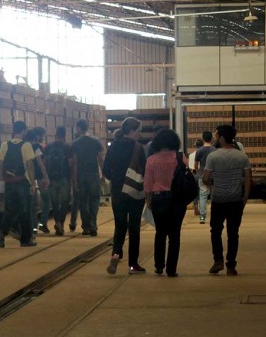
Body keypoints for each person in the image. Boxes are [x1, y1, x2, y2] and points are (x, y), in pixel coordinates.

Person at [202, 125, 252, 276]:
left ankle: (218, 260)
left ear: (222, 137)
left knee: (215, 231)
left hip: (218, 200)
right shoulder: (242, 156)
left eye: (217, 135)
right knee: (233, 233)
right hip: (236, 200)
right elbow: (248, 179)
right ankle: (231, 265)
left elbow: (205, 178)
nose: (215, 138)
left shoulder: (213, 156)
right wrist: (245, 198)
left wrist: (212, 186)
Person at [103, 117, 147, 274]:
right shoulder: (138, 148)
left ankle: (115, 254)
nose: (140, 134)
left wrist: (117, 180)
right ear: (132, 131)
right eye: (139, 131)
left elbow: (106, 170)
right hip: (135, 192)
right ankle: (133, 265)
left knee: (120, 225)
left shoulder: (113, 146)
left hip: (117, 191)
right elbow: (145, 169)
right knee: (134, 227)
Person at [144, 129, 188, 277]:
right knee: (175, 235)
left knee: (160, 233)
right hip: (177, 200)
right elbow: (186, 178)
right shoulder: (181, 158)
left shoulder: (151, 160)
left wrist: (149, 200)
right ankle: (171, 269)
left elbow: (148, 184)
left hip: (158, 199)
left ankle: (158, 266)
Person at [0, 121, 38, 248]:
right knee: (24, 211)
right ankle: (25, 240)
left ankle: (2, 233)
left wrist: (2, 182)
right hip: (22, 182)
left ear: (13, 131)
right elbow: (30, 165)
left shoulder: (5, 145)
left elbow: (0, 165)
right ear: (24, 131)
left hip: (9, 183)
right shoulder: (26, 146)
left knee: (9, 210)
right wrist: (32, 184)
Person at [71, 119, 104, 236]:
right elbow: (100, 159)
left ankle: (85, 227)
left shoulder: (75, 143)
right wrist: (103, 175)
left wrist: (74, 180)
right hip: (94, 174)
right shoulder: (96, 141)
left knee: (83, 202)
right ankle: (93, 225)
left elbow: (74, 163)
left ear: (79, 128)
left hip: (81, 175)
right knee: (94, 201)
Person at [44, 126, 73, 236]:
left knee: (55, 203)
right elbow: (71, 164)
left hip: (51, 178)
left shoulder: (48, 147)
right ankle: (60, 223)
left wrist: (45, 177)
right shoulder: (67, 148)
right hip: (65, 177)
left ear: (56, 134)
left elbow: (45, 162)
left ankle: (57, 222)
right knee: (64, 202)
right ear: (64, 135)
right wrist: (73, 178)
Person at [194, 131, 216, 224]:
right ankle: (215, 215)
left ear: (203, 138)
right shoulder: (215, 149)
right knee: (214, 196)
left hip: (202, 175)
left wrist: (199, 173)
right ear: (211, 139)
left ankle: (202, 217)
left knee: (203, 196)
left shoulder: (199, 150)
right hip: (214, 175)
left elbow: (196, 165)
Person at [33, 126, 51, 233]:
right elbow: (42, 163)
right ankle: (43, 223)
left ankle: (33, 227)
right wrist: (46, 176)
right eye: (43, 135)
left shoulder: (26, 146)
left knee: (33, 204)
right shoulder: (39, 147)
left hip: (30, 178)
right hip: (40, 178)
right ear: (39, 136)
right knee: (46, 200)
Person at [189, 139, 204, 216]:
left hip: (193, 174)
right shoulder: (203, 154)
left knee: (195, 193)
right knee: (202, 192)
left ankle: (195, 207)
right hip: (200, 174)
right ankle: (201, 208)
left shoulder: (191, 155)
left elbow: (190, 167)